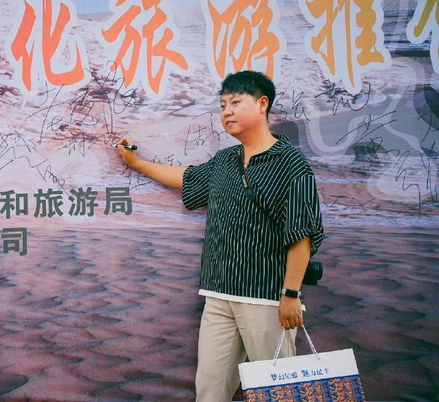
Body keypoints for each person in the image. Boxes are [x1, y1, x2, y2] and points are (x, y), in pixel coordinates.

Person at [116, 70, 324, 402]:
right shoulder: (226, 160)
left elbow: (302, 235)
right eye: (223, 105)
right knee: (210, 391)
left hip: (266, 299)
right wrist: (138, 163)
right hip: (218, 293)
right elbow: (187, 178)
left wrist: (290, 294)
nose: (227, 111)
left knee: (278, 394)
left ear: (262, 104)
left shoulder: (291, 165)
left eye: (236, 102)